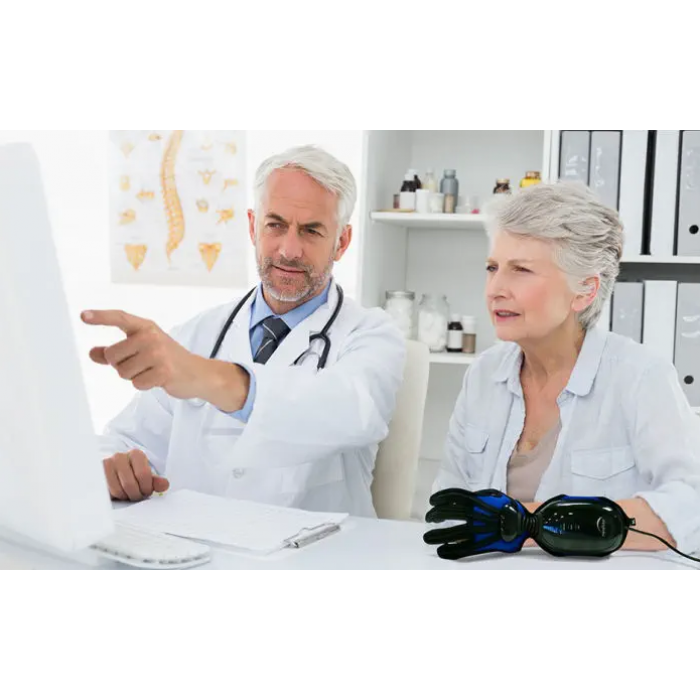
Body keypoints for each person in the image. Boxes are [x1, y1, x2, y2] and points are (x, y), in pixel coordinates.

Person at [83, 145, 406, 516]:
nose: (289, 250)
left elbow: (350, 410)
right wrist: (116, 468)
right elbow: (125, 441)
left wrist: (207, 377)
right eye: (275, 225)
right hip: (194, 542)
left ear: (342, 242)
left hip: (316, 550)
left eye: (311, 231)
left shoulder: (373, 337)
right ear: (253, 226)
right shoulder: (196, 334)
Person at [434, 182, 700, 553]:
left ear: (585, 291)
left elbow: (689, 508)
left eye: (521, 270)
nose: (495, 289)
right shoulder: (483, 375)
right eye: (492, 268)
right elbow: (446, 511)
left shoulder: (640, 377)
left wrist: (529, 523)